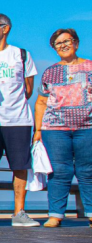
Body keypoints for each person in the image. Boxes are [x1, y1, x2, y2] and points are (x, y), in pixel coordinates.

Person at [0, 13, 39, 227]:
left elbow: (28, 89)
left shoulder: (21, 55)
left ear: (5, 29)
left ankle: (19, 212)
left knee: (20, 167)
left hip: (19, 120)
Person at [34, 29, 92, 228]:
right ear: (54, 48)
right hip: (55, 129)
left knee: (88, 171)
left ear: (76, 43)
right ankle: (56, 214)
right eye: (58, 43)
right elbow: (41, 102)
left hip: (88, 127)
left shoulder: (90, 66)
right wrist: (38, 130)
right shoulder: (49, 71)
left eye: (67, 41)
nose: (64, 45)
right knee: (59, 172)